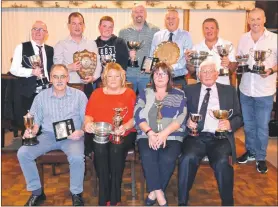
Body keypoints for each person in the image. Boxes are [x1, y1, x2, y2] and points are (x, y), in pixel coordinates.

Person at [17, 64, 88, 206]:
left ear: (68, 78)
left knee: (76, 158)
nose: (59, 80)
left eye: (63, 76)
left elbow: (87, 119)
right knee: (23, 153)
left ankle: (76, 193)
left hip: (72, 137)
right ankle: (37, 192)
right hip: (48, 135)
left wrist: (81, 131)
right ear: (50, 78)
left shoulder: (79, 95)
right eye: (55, 76)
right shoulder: (41, 97)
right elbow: (35, 123)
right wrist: (31, 130)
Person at [178, 60, 243, 206]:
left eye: (210, 71)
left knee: (222, 162)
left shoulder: (229, 90)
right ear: (199, 75)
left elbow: (239, 116)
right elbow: (179, 114)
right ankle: (182, 202)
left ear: (216, 74)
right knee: (187, 158)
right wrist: (187, 121)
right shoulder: (188, 90)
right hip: (195, 137)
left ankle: (227, 203)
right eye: (203, 72)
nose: (207, 74)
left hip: (219, 138)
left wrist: (230, 124)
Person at [134, 62, 187, 206]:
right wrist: (151, 133)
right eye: (157, 73)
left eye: (163, 73)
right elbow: (138, 114)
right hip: (147, 134)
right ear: (152, 77)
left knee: (168, 157)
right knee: (147, 155)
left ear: (169, 77)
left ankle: (153, 192)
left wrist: (163, 134)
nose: (160, 76)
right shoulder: (145, 93)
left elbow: (180, 118)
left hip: (171, 135)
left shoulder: (178, 94)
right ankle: (159, 194)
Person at [84, 62, 136, 206]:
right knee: (100, 149)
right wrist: (88, 124)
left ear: (122, 78)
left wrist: (124, 127)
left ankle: (115, 197)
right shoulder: (96, 93)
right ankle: (103, 196)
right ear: (104, 78)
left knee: (116, 148)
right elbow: (88, 116)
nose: (113, 79)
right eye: (109, 76)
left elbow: (135, 118)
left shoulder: (129, 93)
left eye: (117, 76)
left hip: (124, 133)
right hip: (101, 133)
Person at [236, 8, 277, 174]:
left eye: (258, 19)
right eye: (252, 19)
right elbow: (239, 60)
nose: (255, 22)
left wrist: (271, 71)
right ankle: (251, 152)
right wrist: (239, 65)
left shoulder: (274, 39)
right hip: (245, 90)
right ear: (248, 21)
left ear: (264, 19)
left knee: (262, 127)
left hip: (264, 91)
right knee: (249, 126)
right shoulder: (243, 38)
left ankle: (261, 157)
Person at [10, 20, 54, 131]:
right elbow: (13, 69)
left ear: (46, 33)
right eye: (35, 29)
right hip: (28, 92)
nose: (37, 31)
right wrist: (31, 72)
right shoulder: (21, 47)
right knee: (29, 124)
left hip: (46, 91)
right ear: (31, 31)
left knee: (45, 121)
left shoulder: (50, 49)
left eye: (41, 29)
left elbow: (51, 68)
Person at [54, 12, 102, 97]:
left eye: (80, 24)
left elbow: (98, 63)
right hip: (68, 86)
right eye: (74, 24)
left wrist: (93, 77)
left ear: (83, 25)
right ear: (68, 25)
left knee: (87, 110)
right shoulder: (61, 44)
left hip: (87, 86)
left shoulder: (91, 44)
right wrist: (69, 67)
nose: (77, 27)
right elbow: (56, 67)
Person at [119, 4, 159, 93]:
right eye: (136, 12)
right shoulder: (123, 31)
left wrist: (151, 68)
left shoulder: (155, 30)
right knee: (128, 102)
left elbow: (157, 51)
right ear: (132, 14)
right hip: (129, 74)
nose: (138, 14)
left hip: (147, 75)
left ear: (145, 14)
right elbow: (121, 52)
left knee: (146, 101)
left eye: (141, 11)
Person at [150, 9, 193, 91]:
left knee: (177, 102)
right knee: (159, 102)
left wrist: (171, 68)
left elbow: (187, 59)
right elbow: (152, 55)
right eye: (168, 18)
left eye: (173, 18)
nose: (170, 21)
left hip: (178, 79)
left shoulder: (186, 36)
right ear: (165, 20)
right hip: (159, 78)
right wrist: (149, 66)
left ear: (178, 20)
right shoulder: (157, 36)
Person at [185, 18, 237, 85]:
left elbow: (233, 70)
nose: (209, 31)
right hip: (202, 87)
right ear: (203, 31)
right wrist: (188, 62)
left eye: (212, 28)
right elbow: (192, 71)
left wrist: (229, 63)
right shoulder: (196, 48)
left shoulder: (228, 45)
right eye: (206, 28)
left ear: (217, 30)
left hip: (222, 86)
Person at [95, 16, 129, 86]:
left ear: (113, 28)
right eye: (104, 26)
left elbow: (124, 64)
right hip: (99, 81)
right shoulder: (94, 44)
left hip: (116, 81)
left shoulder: (120, 42)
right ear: (99, 27)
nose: (107, 29)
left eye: (110, 27)